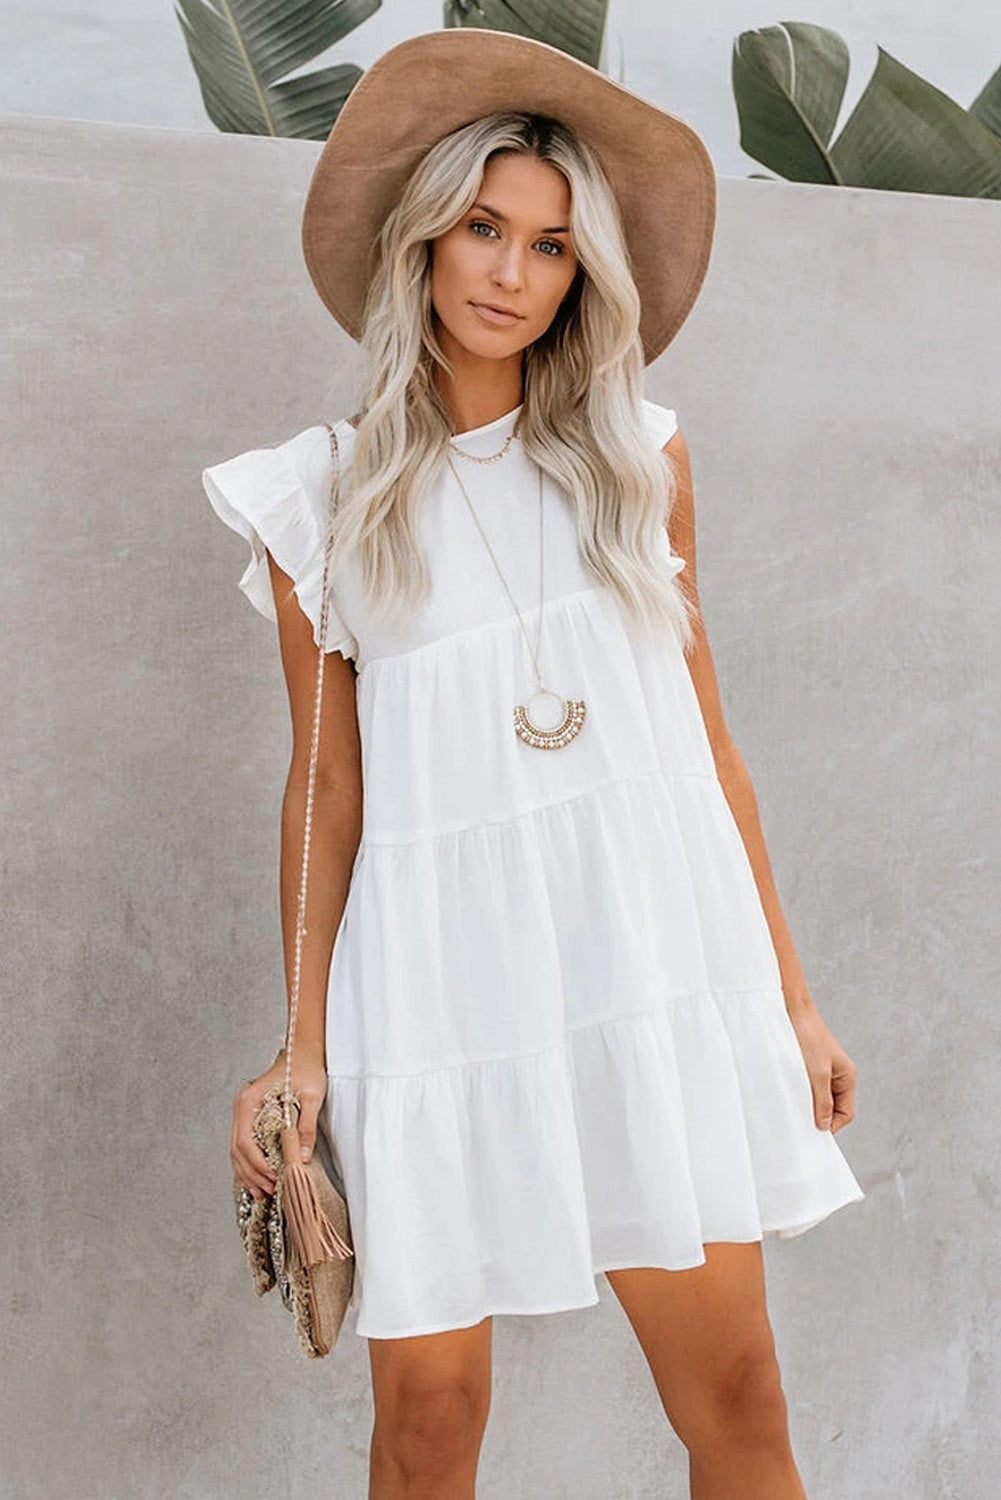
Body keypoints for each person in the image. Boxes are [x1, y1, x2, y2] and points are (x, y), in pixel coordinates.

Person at [202, 27, 865, 1500]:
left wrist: (794, 1000)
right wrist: (301, 1049)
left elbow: (708, 746)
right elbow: (325, 791)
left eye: (551, 247)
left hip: (649, 966)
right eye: (483, 229)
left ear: (583, 276)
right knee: (430, 1428)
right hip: (434, 988)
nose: (510, 272)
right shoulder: (319, 500)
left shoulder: (638, 463)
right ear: (423, 241)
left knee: (741, 1399)